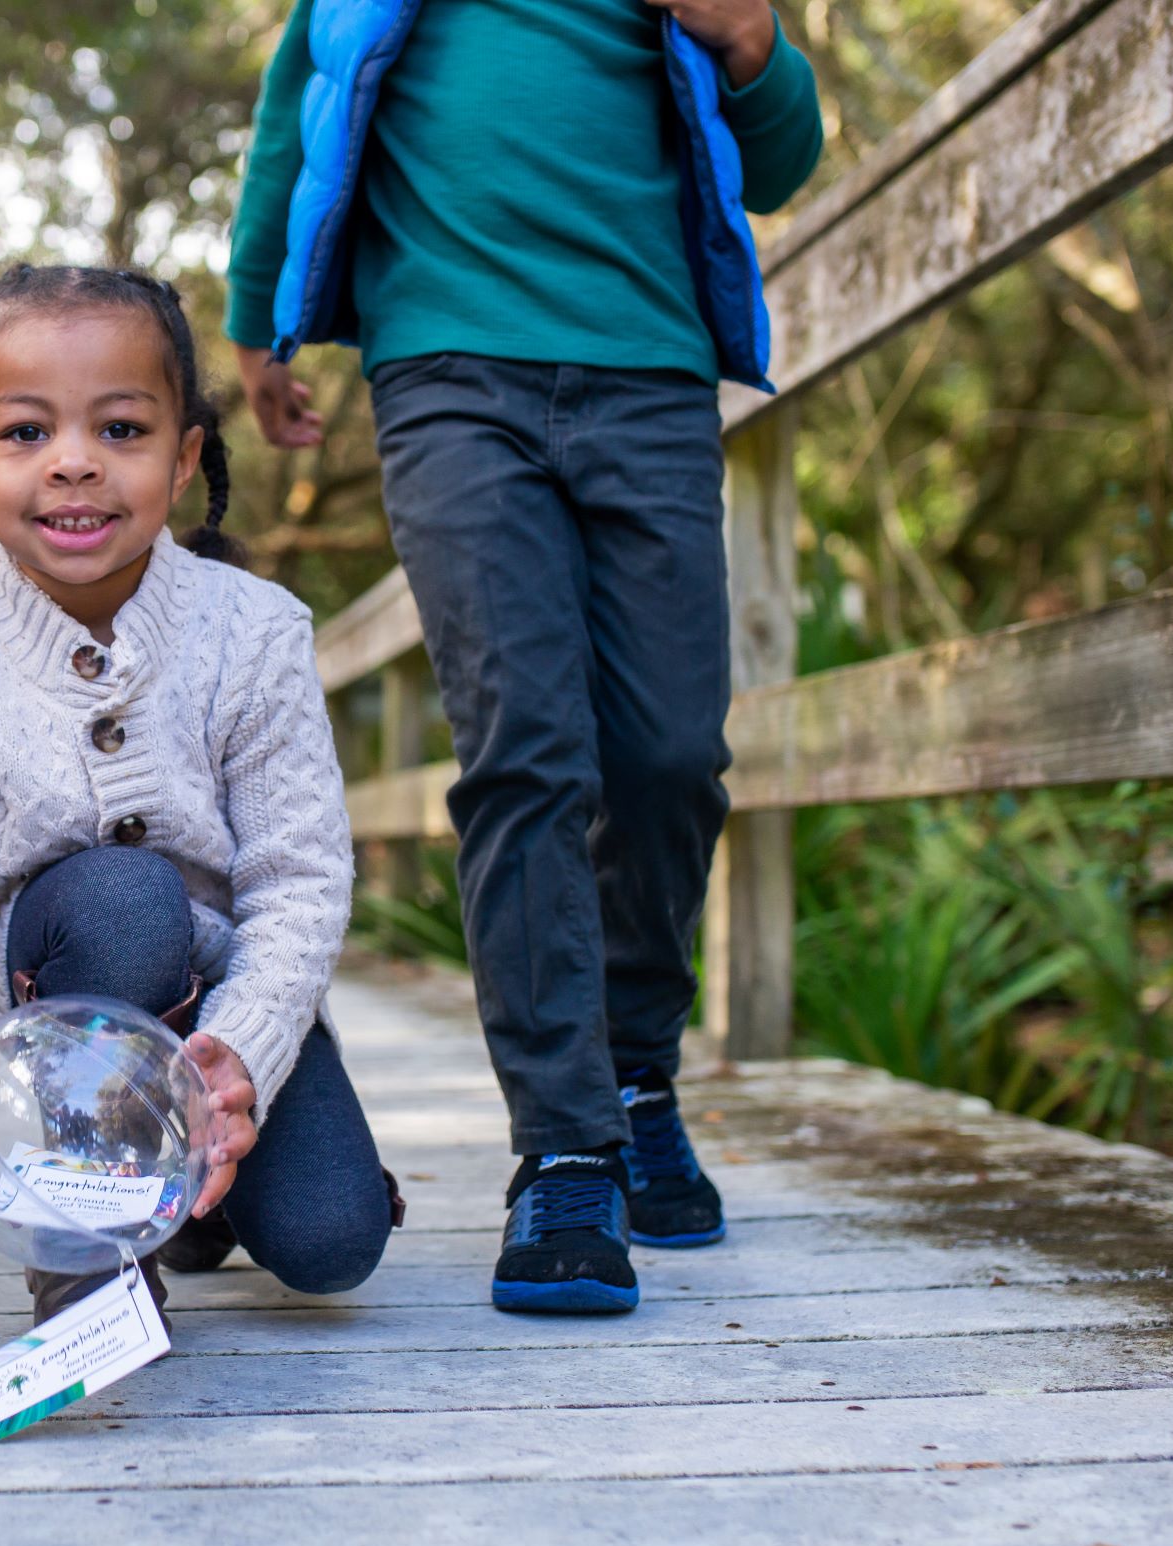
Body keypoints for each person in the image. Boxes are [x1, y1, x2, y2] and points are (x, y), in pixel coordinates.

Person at [226, 0, 824, 1313]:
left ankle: (634, 1068)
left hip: (652, 373)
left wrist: (750, 43)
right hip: (448, 376)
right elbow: (294, 118)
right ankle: (562, 1147)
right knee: (525, 751)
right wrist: (257, 319)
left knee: (671, 754)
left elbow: (780, 163)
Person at [0, 265, 399, 1326]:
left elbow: (297, 874)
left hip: (213, 993)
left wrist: (244, 1048)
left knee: (333, 1247)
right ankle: (81, 1243)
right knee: (121, 897)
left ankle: (182, 1198)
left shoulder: (256, 631)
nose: (72, 466)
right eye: (24, 435)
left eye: (119, 431)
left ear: (184, 457)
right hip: (57, 982)